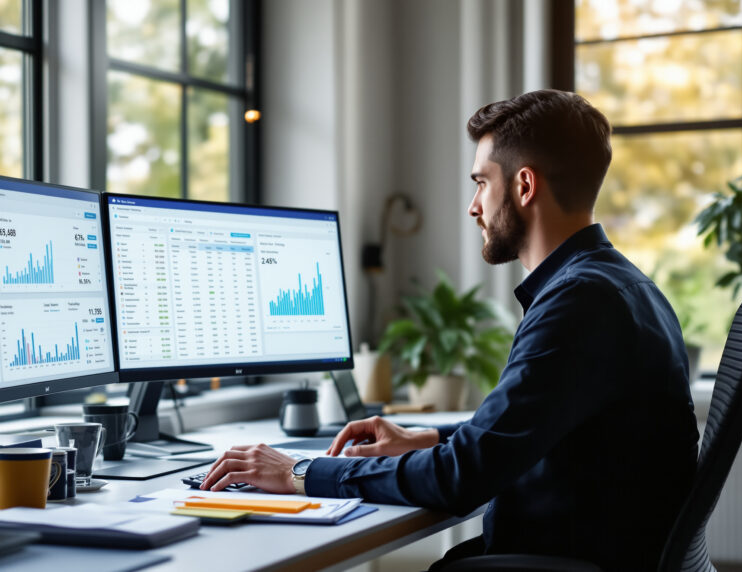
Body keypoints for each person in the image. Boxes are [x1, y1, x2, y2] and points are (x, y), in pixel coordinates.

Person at [200, 89, 699, 571]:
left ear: (525, 187)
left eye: (481, 182)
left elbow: (462, 478)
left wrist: (298, 470)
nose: (473, 206)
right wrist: (425, 438)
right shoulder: (622, 285)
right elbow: (537, 429)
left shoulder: (579, 301)